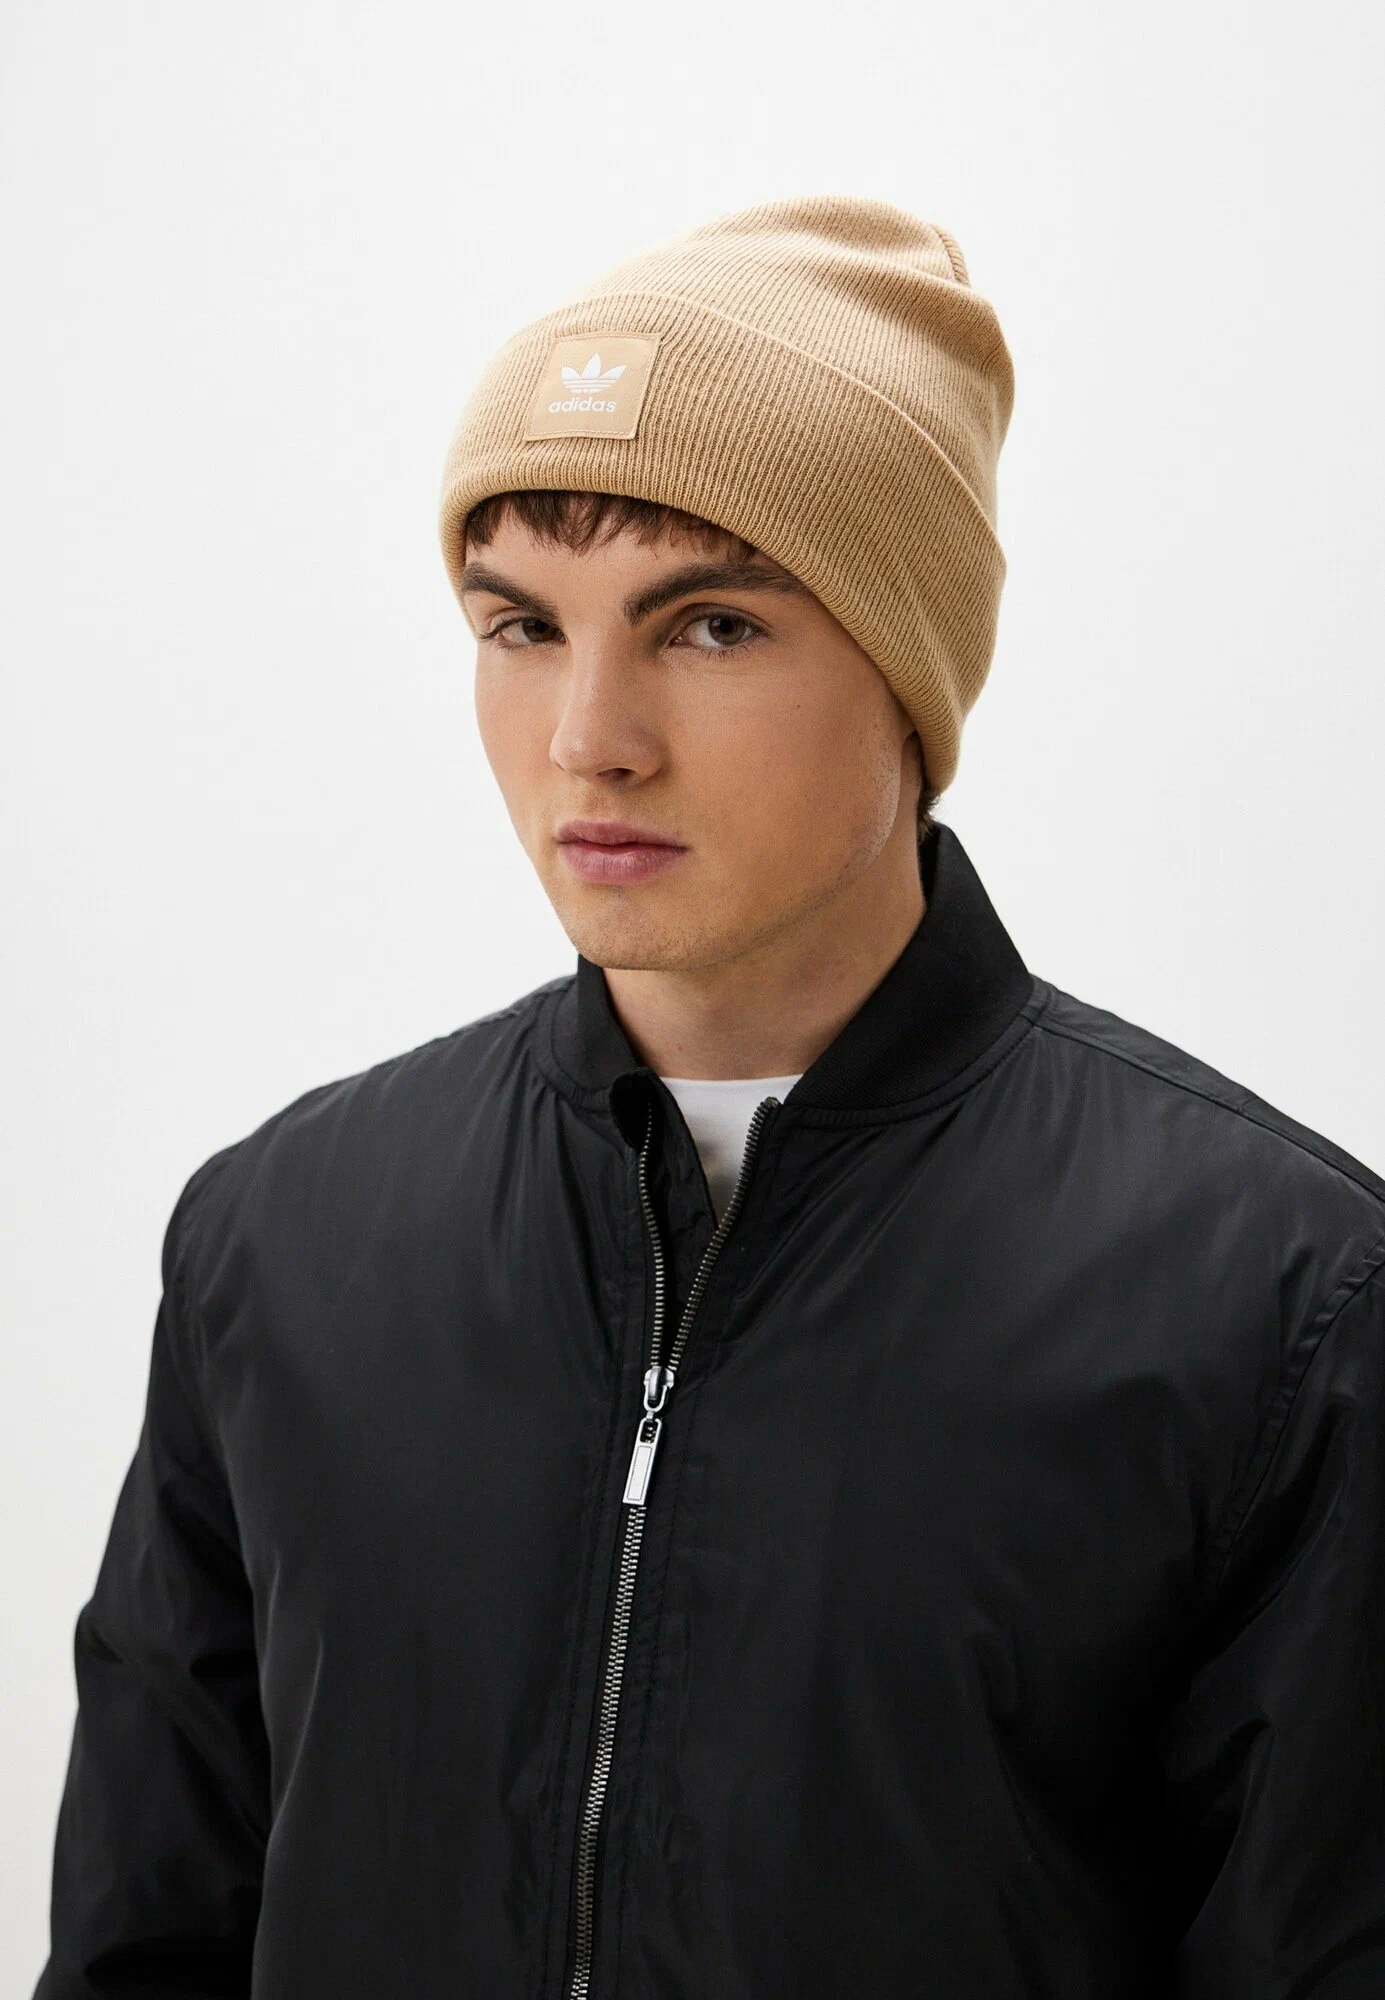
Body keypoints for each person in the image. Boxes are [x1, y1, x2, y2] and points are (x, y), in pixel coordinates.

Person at [33, 195, 1385, 1999]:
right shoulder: (278, 1245)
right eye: (521, 624)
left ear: (910, 670)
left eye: (713, 627)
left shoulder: (1278, 1301)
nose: (589, 736)